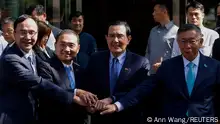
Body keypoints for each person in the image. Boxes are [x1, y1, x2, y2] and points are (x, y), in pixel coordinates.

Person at [100, 24, 220, 121]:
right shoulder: (168, 66)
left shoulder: (214, 66)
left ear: (201, 42)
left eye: (192, 41)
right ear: (178, 42)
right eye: (183, 41)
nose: (187, 46)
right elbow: (143, 89)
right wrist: (117, 105)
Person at [0, 14, 97, 124]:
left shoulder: (33, 53)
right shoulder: (10, 58)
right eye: (23, 32)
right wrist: (75, 94)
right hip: (15, 118)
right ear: (14, 33)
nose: (28, 37)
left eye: (32, 32)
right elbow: (39, 83)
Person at [83, 21, 150, 124]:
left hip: (128, 117)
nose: (115, 40)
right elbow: (88, 85)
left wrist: (112, 100)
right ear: (106, 38)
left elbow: (138, 92)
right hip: (100, 117)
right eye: (112, 36)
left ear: (129, 39)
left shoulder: (140, 63)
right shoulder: (95, 59)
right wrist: (89, 104)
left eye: (120, 36)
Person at [37, 29, 86, 124]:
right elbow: (50, 91)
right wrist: (76, 92)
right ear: (55, 45)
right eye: (62, 44)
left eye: (71, 45)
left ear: (78, 48)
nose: (67, 49)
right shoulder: (45, 66)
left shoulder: (80, 70)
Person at [145, 1, 178, 74]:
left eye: (155, 11)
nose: (153, 13)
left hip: (168, 74)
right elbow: (148, 52)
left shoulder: (177, 31)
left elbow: (178, 56)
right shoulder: (153, 31)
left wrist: (164, 65)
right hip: (151, 74)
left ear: (164, 12)